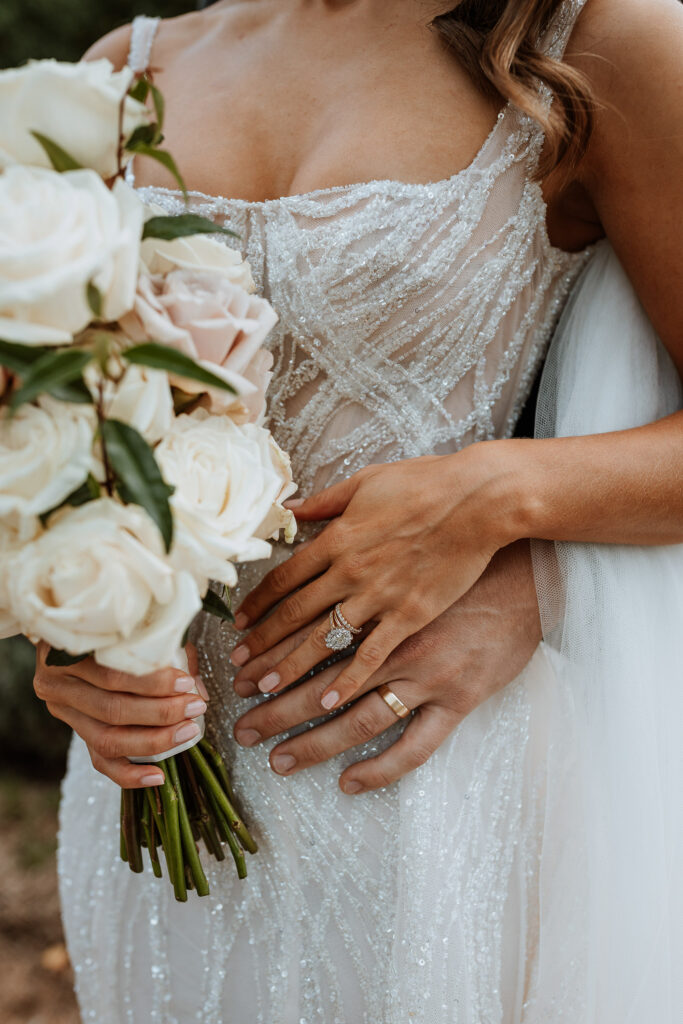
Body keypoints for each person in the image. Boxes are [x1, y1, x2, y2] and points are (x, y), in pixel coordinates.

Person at [34, 1, 683, 1021]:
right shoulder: (124, 69)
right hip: (154, 794)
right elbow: (50, 424)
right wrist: (68, 625)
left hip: (434, 783)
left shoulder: (589, 43)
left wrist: (497, 501)